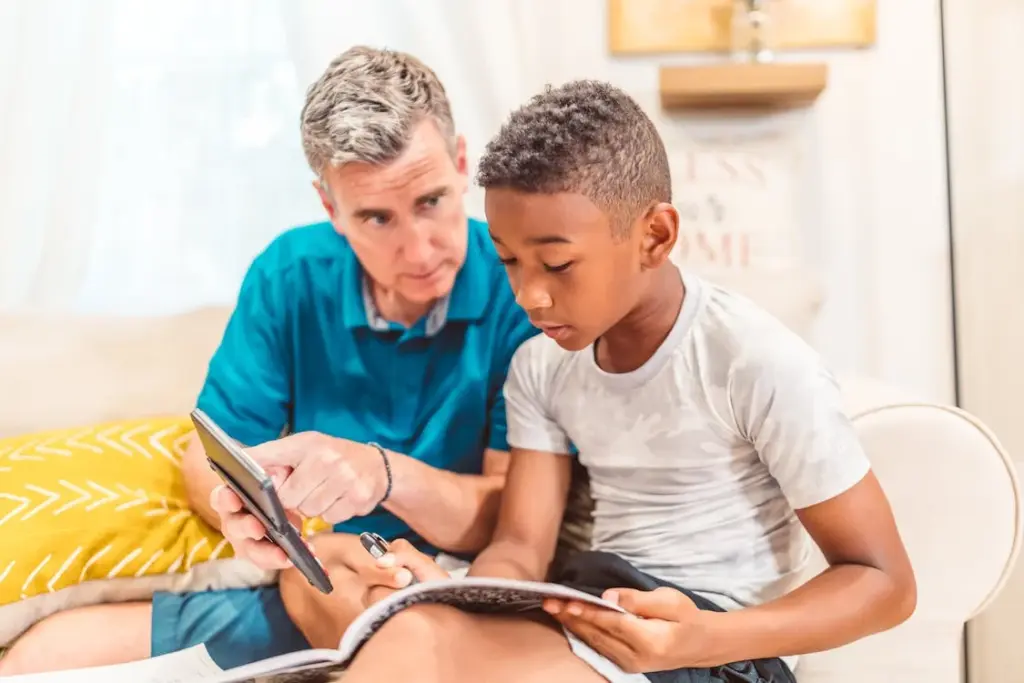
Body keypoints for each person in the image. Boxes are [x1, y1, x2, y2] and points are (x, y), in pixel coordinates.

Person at [334, 80, 918, 682]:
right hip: (592, 606)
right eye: (509, 259)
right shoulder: (541, 366)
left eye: (558, 264)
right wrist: (464, 592)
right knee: (404, 630)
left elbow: (885, 582)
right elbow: (520, 548)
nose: (529, 295)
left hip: (720, 647)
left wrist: (703, 638)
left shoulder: (754, 360)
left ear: (655, 236)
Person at [0, 46, 536, 675]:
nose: (418, 249)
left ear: (462, 164)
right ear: (330, 207)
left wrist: (382, 473)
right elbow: (209, 454)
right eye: (376, 217)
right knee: (46, 654)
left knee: (407, 639)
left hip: (438, 583)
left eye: (431, 202)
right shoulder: (290, 274)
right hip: (305, 571)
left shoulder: (520, 288)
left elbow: (510, 516)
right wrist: (247, 510)